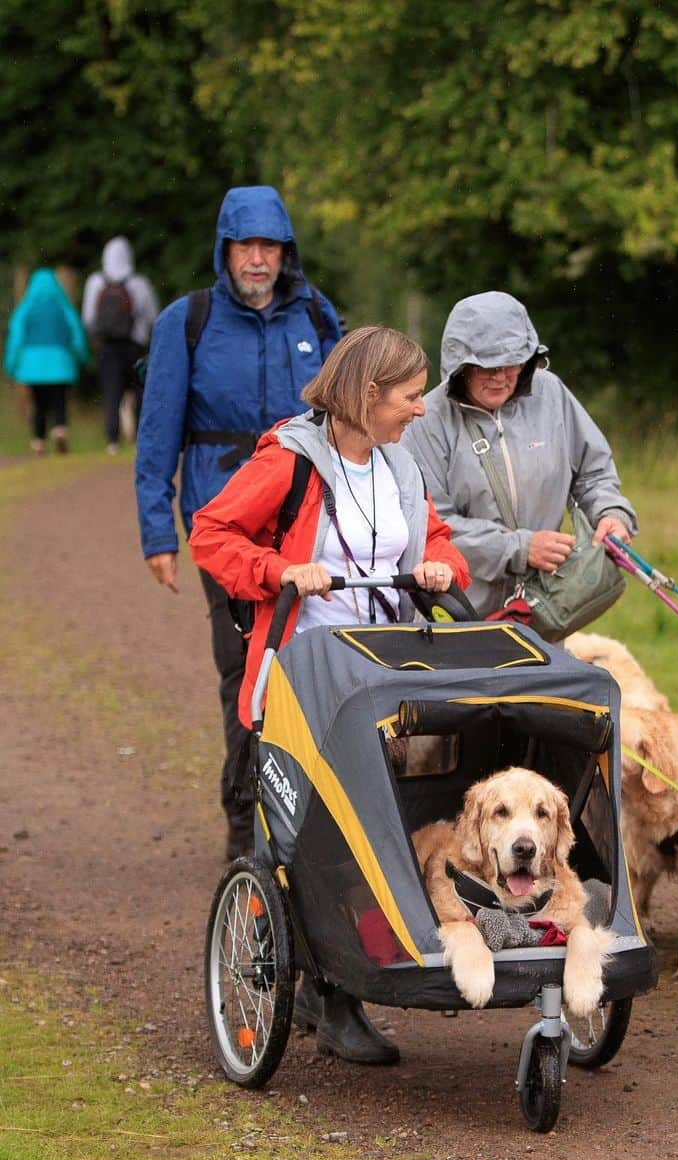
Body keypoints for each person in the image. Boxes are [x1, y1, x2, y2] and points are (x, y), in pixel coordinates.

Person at [190, 324, 470, 1065]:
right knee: (325, 836)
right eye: (410, 397)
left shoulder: (400, 467)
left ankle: (367, 968)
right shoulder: (290, 461)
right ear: (369, 394)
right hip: (307, 679)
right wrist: (280, 569)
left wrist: (438, 564)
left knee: (392, 819)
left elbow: (433, 537)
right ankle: (332, 994)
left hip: (387, 674)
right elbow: (211, 534)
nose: (421, 410)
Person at [136, 185, 342, 863]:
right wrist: (158, 534)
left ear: (287, 252)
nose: (258, 259)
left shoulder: (316, 316)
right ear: (224, 250)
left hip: (304, 520)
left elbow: (352, 419)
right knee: (245, 672)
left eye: (270, 246)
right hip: (222, 523)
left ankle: (316, 820)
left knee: (314, 666)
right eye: (246, 246)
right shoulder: (185, 322)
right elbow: (158, 429)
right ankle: (243, 825)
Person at [401, 290, 637, 620]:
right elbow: (431, 526)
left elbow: (593, 472)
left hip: (540, 611)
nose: (500, 377)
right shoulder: (426, 421)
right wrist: (520, 549)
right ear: (461, 367)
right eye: (487, 367)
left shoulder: (550, 393)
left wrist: (610, 513)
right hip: (458, 613)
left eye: (511, 363)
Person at [81, 236, 159, 454]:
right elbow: (152, 315)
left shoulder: (95, 282)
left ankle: (112, 441)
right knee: (139, 392)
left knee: (111, 393)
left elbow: (88, 318)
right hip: (134, 346)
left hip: (107, 347)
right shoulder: (139, 283)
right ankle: (139, 439)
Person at [3, 268, 89, 455]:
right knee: (60, 400)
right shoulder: (63, 307)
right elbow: (77, 336)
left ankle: (38, 442)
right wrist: (81, 357)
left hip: (32, 366)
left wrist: (10, 365)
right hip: (61, 362)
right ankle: (60, 429)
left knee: (38, 403)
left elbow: (16, 339)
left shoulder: (25, 308)